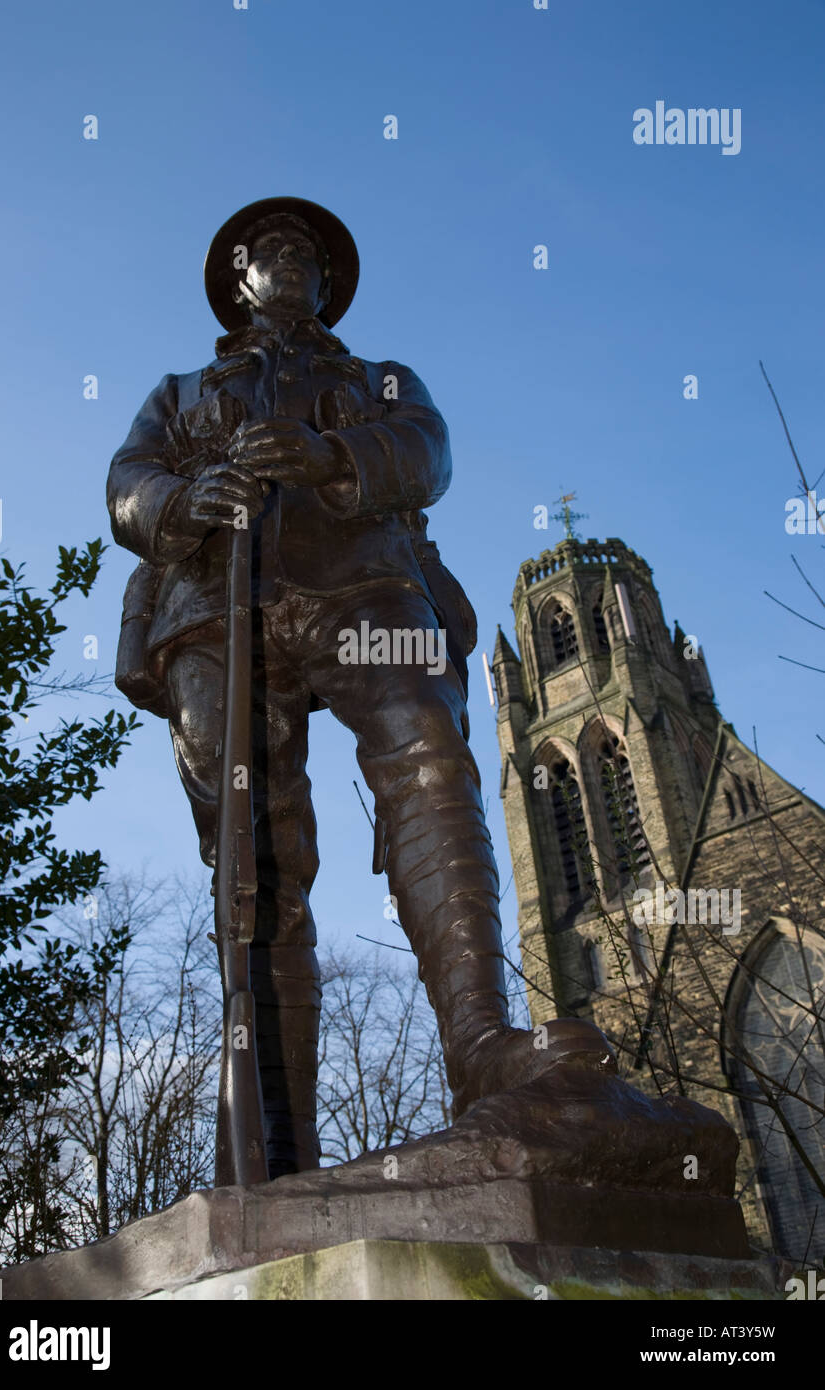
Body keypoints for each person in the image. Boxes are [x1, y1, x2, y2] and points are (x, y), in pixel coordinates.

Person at [107, 197, 613, 1179]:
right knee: (253, 843)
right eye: (273, 250)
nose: (292, 260)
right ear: (240, 273)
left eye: (310, 255)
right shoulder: (177, 392)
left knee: (426, 748)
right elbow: (129, 481)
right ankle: (269, 1110)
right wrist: (180, 499)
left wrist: (336, 456)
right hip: (215, 604)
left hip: (364, 582)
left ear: (328, 285)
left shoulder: (375, 377)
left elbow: (428, 448)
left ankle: (479, 1044)